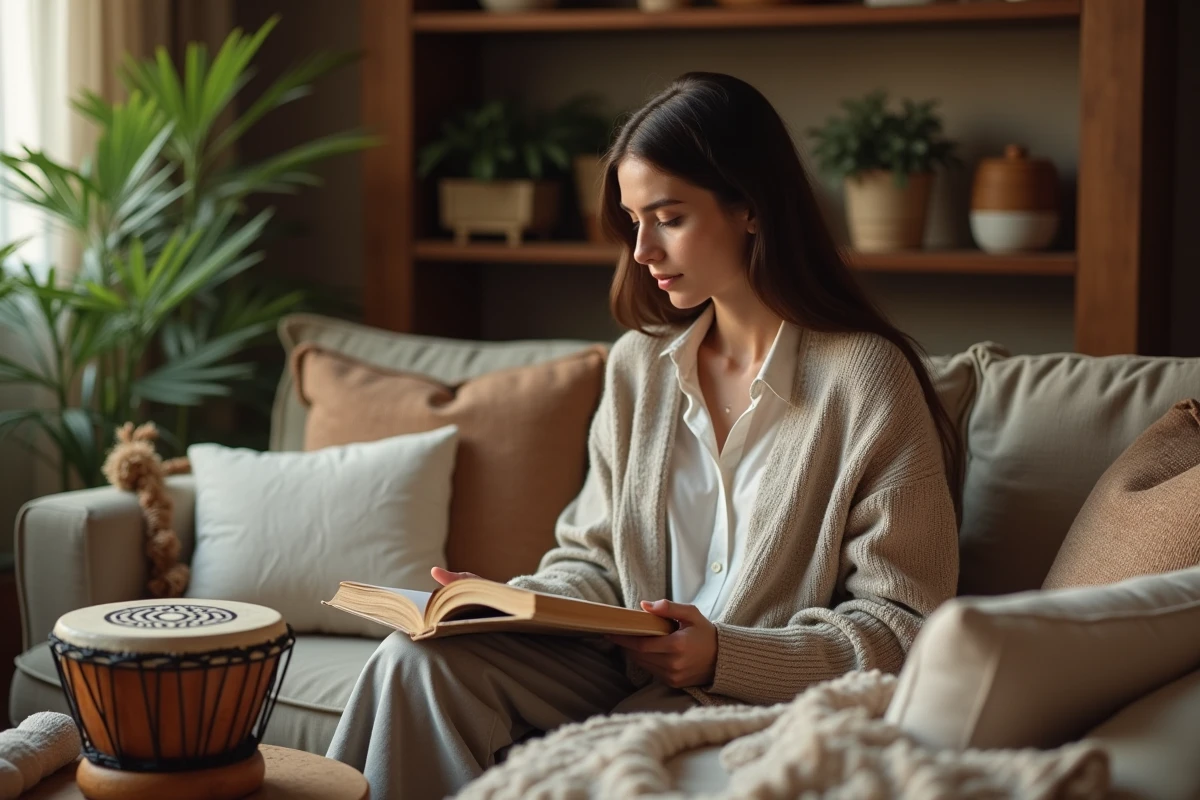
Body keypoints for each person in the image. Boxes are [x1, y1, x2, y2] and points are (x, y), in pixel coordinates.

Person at [326, 71, 961, 800]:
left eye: (669, 217)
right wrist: (504, 606)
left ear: (750, 207)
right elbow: (594, 558)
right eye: (633, 221)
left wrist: (727, 655)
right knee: (414, 660)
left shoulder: (864, 379)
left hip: (762, 695)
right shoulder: (639, 370)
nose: (642, 250)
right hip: (615, 667)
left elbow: (905, 625)